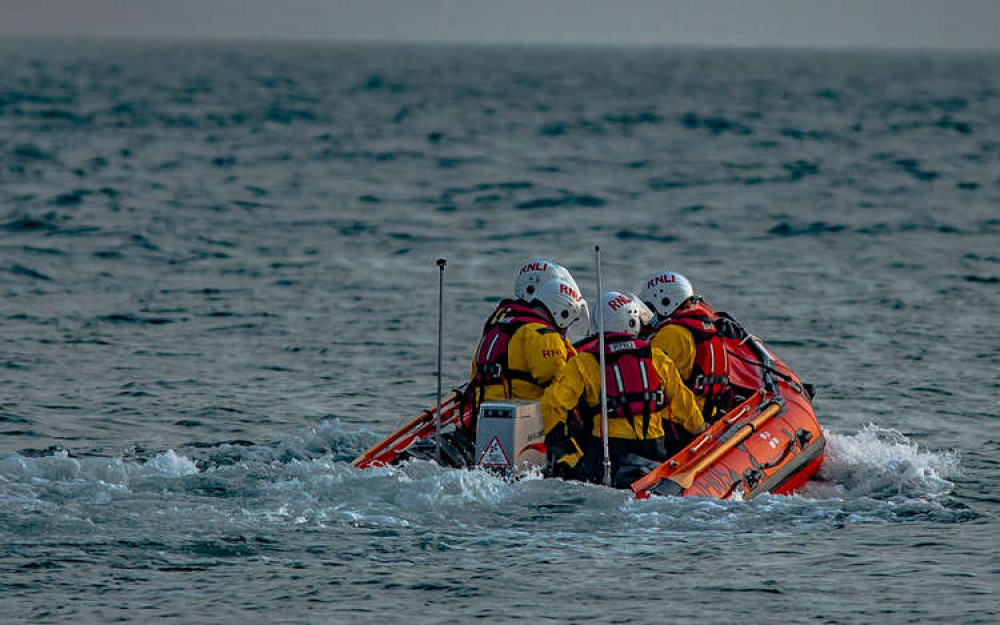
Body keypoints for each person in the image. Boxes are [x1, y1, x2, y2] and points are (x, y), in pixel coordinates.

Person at [541, 291, 704, 488]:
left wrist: (564, 452)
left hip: (608, 451)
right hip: (653, 447)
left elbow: (553, 403)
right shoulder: (656, 357)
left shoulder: (585, 361)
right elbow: (683, 404)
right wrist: (700, 430)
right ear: (632, 320)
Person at [467, 273, 588, 417]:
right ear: (562, 312)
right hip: (521, 418)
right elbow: (560, 382)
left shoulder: (502, 325)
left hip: (480, 410)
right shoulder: (542, 335)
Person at [638, 271, 737, 421]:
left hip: (677, 421)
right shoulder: (706, 327)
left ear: (665, 302)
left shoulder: (671, 334)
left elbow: (646, 380)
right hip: (708, 410)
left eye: (651, 306)